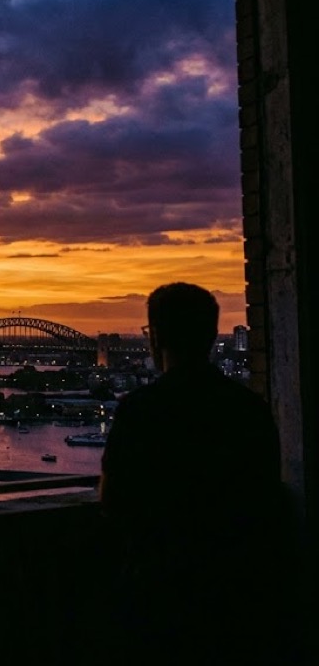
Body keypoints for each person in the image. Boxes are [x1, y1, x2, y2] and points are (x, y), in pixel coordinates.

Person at [100, 282, 297, 664]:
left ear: (155, 337)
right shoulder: (249, 409)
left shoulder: (141, 411)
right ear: (210, 335)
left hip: (159, 597)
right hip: (240, 600)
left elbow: (113, 501)